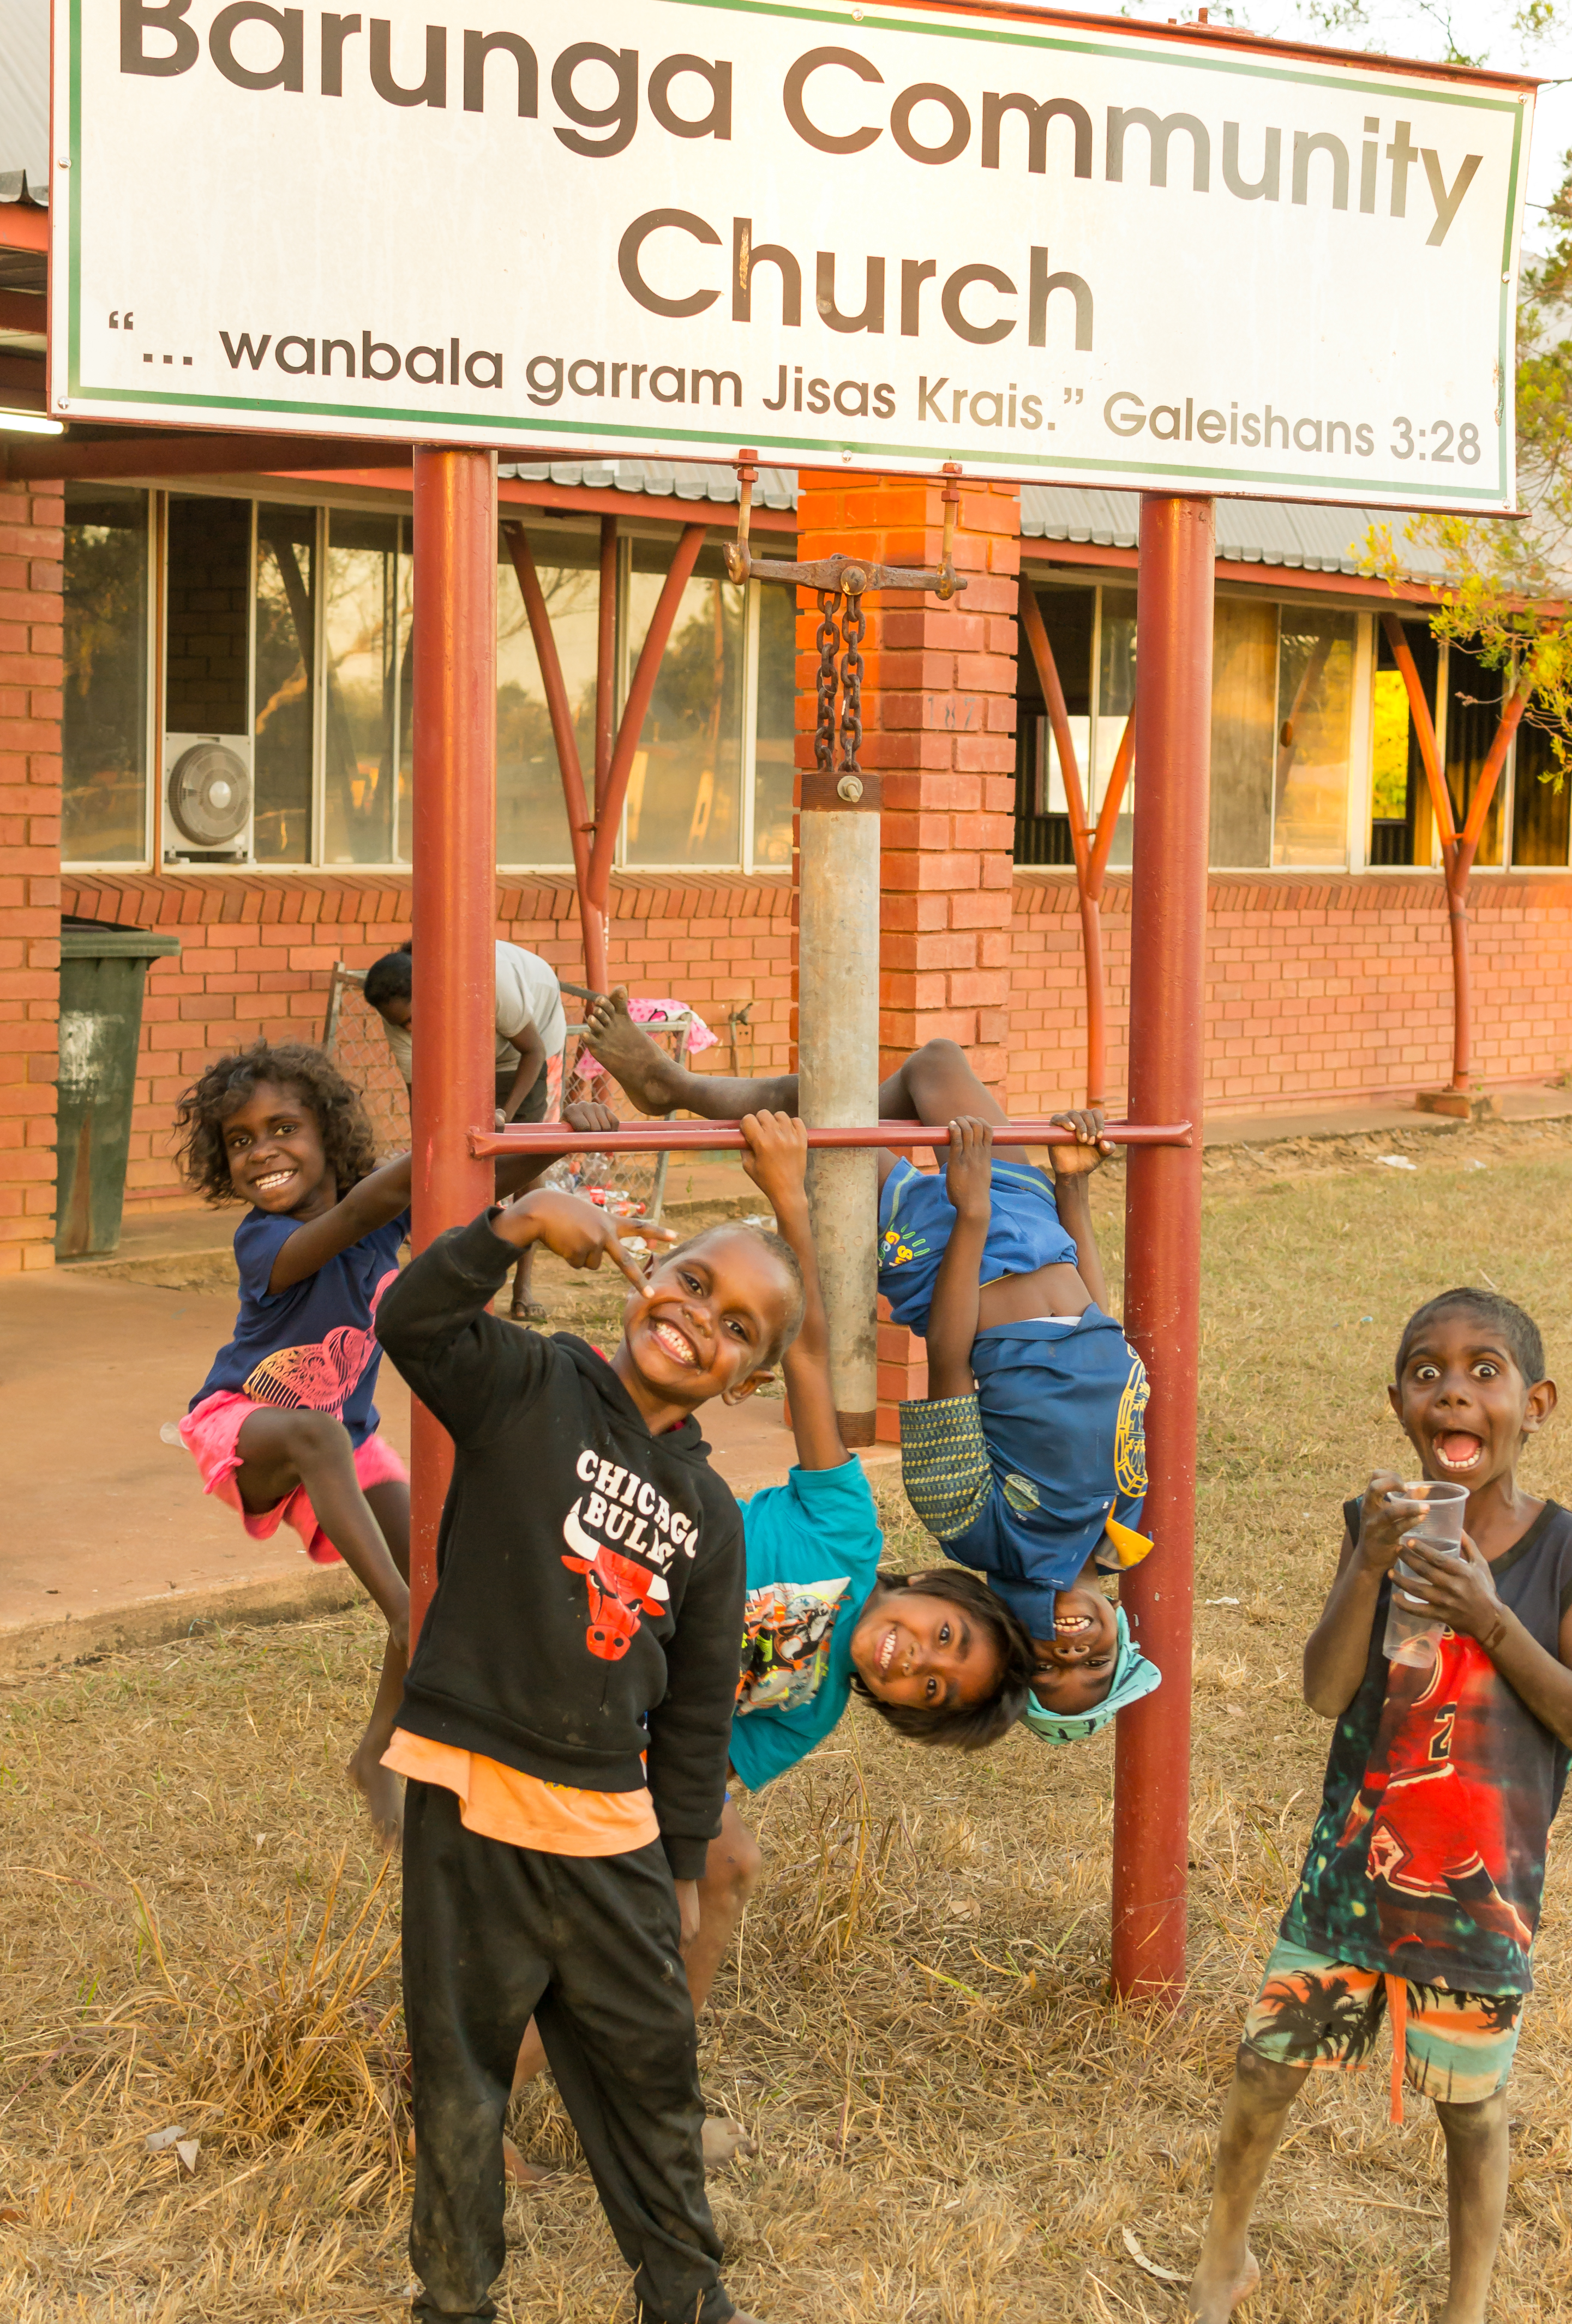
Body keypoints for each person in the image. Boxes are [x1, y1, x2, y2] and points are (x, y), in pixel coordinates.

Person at [505, 1105, 1036, 2165]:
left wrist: (678, 1840)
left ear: (904, 1719)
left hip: (630, 1763)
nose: (916, 1662)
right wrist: (791, 1198)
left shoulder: (812, 1714)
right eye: (941, 1637)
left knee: (698, 1877)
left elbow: (714, 1771)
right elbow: (810, 1374)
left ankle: (645, 2093)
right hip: (577, 1646)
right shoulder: (844, 1530)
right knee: (565, 1916)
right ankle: (495, 2100)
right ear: (928, 1588)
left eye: (934, 1689)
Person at [374, 1181, 797, 2324]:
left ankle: (689, 2298)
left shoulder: (710, 1515)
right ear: (647, 1275)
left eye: (738, 1327)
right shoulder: (531, 1380)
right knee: (462, 2081)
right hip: (472, 1805)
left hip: (613, 1836)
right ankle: (455, 2302)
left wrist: (679, 1874)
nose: (702, 1317)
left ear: (747, 1383)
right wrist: (509, 1228)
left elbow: (701, 1709)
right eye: (695, 1282)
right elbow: (410, 1324)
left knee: (653, 2084)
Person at [1189, 1287, 1572, 2324]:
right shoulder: (1371, 1527)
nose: (1453, 1389)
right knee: (1267, 2064)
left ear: (1536, 1402)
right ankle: (1222, 2257)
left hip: (1478, 1891)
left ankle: (1462, 2306)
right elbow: (1324, 1689)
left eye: (1484, 1370)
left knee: (1469, 2111)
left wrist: (1489, 1617)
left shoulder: (1569, 1552)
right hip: (1353, 1870)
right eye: (1426, 1372)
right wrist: (1371, 1563)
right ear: (1397, 1404)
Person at [578, 995, 1158, 1732]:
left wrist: (970, 1214)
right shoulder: (1125, 1528)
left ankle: (680, 1091)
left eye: (1048, 1666)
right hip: (1036, 1220)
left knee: (825, 1114)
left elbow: (949, 1356)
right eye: (1095, 1663)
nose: (1070, 1651)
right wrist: (1073, 1188)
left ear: (1014, 1646)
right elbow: (1100, 1341)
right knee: (934, 1064)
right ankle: (694, 1094)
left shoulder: (981, 1530)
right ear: (1122, 1634)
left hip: (946, 1249)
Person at [171, 1042, 417, 1845]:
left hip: (346, 1440)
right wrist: (425, 1157)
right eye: (241, 1141)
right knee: (318, 1437)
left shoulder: (389, 1213)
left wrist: (553, 1132)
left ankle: (378, 1750)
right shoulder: (263, 1241)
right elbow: (353, 1216)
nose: (263, 1151)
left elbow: (475, 1184)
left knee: (437, 1557)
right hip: (246, 1425)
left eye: (283, 1128)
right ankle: (409, 1618)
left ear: (328, 1135)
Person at [364, 938, 568, 1321]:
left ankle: (523, 1288)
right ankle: (455, 1279)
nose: (409, 1029)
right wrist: (428, 1160)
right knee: (457, 1159)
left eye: (413, 1018)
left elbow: (533, 1053)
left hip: (527, 1042)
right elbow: (421, 1101)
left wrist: (504, 1114)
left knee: (527, 1162)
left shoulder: (487, 984)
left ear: (430, 992)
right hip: (464, 1041)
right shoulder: (401, 1023)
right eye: (401, 1024)